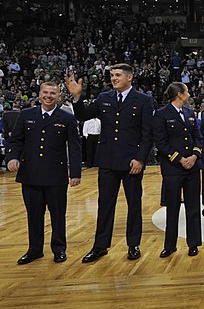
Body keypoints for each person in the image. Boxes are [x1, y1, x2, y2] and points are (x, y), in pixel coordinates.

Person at [66, 64, 153, 263]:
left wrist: (140, 158)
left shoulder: (144, 100)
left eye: (118, 75)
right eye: (112, 75)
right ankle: (100, 246)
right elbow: (82, 116)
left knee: (134, 205)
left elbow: (148, 134)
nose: (114, 78)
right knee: (105, 205)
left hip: (132, 162)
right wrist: (77, 98)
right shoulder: (104, 98)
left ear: (129, 77)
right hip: (107, 161)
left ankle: (133, 245)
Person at [6, 82, 82, 264]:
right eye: (45, 93)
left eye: (52, 93)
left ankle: (59, 249)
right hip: (30, 174)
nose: (48, 96)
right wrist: (12, 157)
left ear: (58, 96)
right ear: (40, 94)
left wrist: (75, 173)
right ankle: (34, 250)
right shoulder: (26, 115)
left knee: (57, 214)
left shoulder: (66, 117)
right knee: (33, 214)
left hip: (56, 175)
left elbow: (74, 147)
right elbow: (16, 140)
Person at [153, 82, 203, 257]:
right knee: (172, 208)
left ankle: (194, 243)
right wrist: (181, 159)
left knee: (193, 207)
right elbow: (161, 143)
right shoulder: (161, 114)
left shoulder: (190, 113)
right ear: (180, 95)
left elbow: (198, 137)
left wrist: (194, 156)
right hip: (173, 168)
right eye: (187, 91)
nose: (189, 94)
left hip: (192, 167)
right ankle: (170, 245)